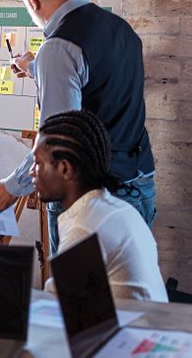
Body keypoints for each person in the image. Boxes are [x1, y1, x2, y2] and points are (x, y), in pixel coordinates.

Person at [0, 0, 156, 255]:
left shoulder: (59, 49)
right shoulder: (121, 28)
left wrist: (10, 188)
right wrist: (35, 67)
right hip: (139, 182)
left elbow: (57, 142)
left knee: (79, 299)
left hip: (94, 199)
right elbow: (100, 83)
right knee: (125, 293)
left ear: (31, 1)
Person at [32, 110, 167, 302]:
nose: (31, 171)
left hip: (127, 329)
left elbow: (59, 309)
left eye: (37, 162)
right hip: (141, 324)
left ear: (65, 168)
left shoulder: (85, 228)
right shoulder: (114, 207)